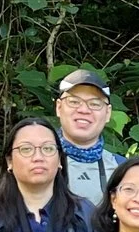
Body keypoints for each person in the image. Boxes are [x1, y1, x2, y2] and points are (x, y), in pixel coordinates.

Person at [53, 68, 124, 208]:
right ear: (59, 107)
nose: (84, 110)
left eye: (95, 104)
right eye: (74, 101)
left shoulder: (121, 169)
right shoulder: (37, 160)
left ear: (108, 113)